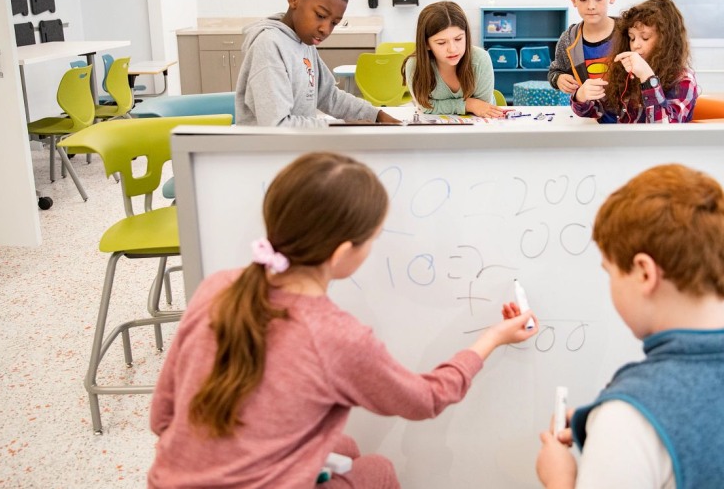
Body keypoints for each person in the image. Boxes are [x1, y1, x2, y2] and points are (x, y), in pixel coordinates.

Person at [148, 151, 537, 488]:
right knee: (378, 469)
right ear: (341, 254)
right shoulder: (336, 336)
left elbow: (162, 416)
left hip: (168, 481)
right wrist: (492, 337)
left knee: (345, 448)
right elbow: (426, 399)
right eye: (374, 238)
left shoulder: (219, 286)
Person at [518, 164, 724, 488]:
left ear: (644, 273)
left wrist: (561, 481)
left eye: (610, 272)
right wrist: (602, 428)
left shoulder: (628, 420)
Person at [234, 0, 400, 127]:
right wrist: (342, 126)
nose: (325, 29)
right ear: (294, 0)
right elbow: (277, 125)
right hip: (268, 152)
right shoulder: (269, 45)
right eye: (320, 15)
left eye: (334, 23)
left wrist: (375, 115)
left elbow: (329, 96)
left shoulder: (305, 42)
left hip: (298, 146)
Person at [572, 0, 699, 124]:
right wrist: (581, 96)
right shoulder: (626, 73)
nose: (635, 45)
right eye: (632, 38)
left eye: (645, 38)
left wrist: (648, 79)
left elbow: (664, 129)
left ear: (666, 42)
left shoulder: (683, 80)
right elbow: (599, 111)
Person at [547, 0, 620, 123]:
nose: (591, 6)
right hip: (590, 121)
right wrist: (558, 79)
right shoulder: (568, 39)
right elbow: (555, 71)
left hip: (629, 122)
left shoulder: (628, 33)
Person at [403, 1, 504, 117]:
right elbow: (425, 107)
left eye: (458, 39)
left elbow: (482, 107)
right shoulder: (415, 65)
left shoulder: (480, 59)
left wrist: (444, 105)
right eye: (441, 43)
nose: (452, 49)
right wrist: (468, 104)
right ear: (426, 44)